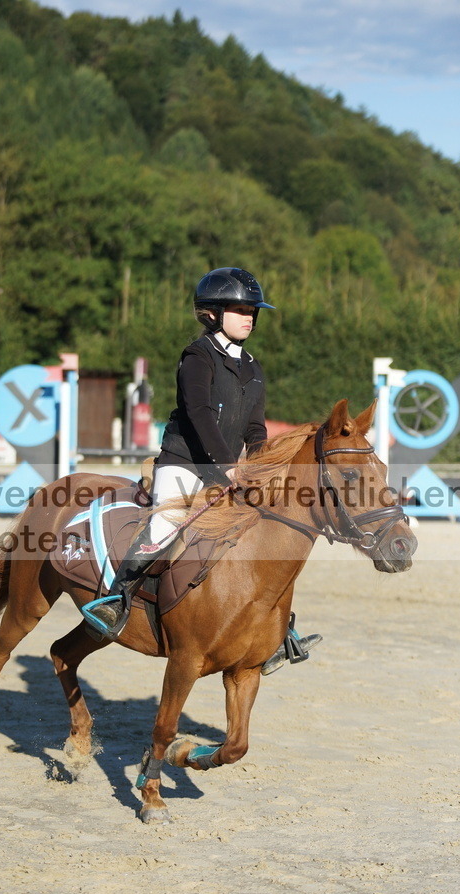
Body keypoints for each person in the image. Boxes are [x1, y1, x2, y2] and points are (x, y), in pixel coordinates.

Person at [81, 267, 321, 671]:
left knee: (263, 536)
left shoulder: (253, 367)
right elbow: (199, 415)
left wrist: (260, 468)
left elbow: (255, 428)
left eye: (253, 310)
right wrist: (226, 468)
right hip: (185, 465)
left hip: (232, 472)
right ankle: (116, 601)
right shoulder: (197, 356)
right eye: (240, 309)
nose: (250, 316)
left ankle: (278, 632)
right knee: (166, 526)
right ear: (212, 312)